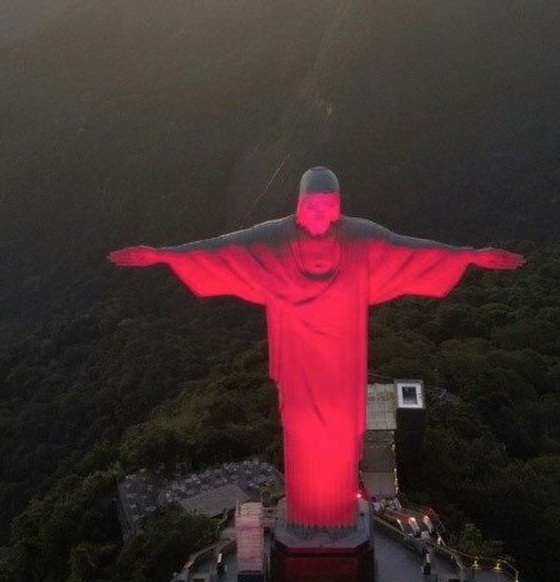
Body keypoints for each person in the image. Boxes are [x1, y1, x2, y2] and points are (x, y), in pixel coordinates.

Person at [110, 167, 523, 530]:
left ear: (338, 207)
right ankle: (307, 517)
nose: (320, 216)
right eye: (313, 207)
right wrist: (165, 256)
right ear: (299, 206)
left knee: (341, 441)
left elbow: (409, 250)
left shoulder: (361, 240)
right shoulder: (274, 240)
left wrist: (468, 257)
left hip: (341, 366)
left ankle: (339, 516)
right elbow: (225, 250)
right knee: (304, 438)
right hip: (299, 364)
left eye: (328, 207)